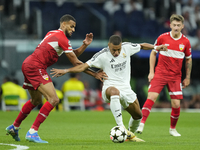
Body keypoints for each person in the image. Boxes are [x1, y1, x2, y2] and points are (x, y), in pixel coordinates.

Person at [5, 14, 107, 143]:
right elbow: (76, 63)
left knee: (36, 100)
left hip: (28, 64)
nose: (73, 30)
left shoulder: (53, 33)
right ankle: (33, 132)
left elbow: (71, 54)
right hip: (36, 66)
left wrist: (84, 45)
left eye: (74, 27)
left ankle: (14, 126)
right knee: (53, 99)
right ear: (63, 24)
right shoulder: (62, 39)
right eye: (71, 26)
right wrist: (95, 74)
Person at [51, 35, 167, 142]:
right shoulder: (102, 55)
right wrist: (66, 70)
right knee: (114, 92)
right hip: (109, 87)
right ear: (108, 46)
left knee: (138, 116)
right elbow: (82, 66)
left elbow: (141, 45)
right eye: (113, 50)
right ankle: (121, 127)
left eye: (118, 49)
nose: (116, 52)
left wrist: (156, 47)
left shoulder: (127, 48)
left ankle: (129, 135)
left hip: (126, 88)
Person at [135, 14, 192, 137]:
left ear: (182, 26)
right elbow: (153, 53)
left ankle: (172, 129)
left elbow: (188, 59)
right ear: (170, 25)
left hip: (175, 76)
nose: (176, 27)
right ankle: (141, 124)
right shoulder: (162, 38)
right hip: (161, 73)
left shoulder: (186, 42)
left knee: (176, 104)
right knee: (152, 97)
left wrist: (187, 77)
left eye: (178, 25)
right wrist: (151, 72)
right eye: (174, 25)